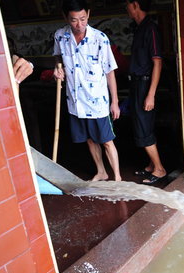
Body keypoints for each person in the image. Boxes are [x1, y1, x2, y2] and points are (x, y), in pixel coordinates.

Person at [53, 0, 122, 181]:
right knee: (89, 139)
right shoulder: (60, 36)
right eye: (74, 20)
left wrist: (114, 102)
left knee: (107, 141)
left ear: (88, 15)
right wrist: (57, 69)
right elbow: (59, 59)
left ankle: (117, 178)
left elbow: (110, 71)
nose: (80, 25)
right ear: (66, 17)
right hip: (75, 100)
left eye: (83, 19)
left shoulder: (100, 39)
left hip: (97, 99)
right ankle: (101, 171)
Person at [126, 0, 166, 185]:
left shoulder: (150, 29)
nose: (126, 8)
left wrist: (151, 94)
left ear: (135, 5)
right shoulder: (140, 28)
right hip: (136, 84)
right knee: (142, 124)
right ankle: (151, 165)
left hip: (145, 85)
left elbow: (157, 63)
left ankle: (159, 169)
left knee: (144, 126)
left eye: (127, 4)